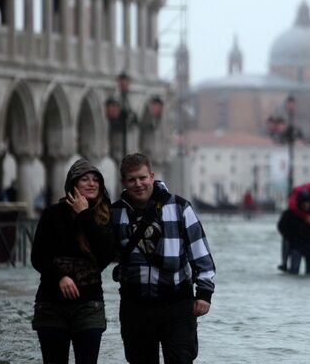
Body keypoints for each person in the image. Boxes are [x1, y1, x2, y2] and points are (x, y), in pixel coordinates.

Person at [111, 153, 216, 363]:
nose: (138, 184)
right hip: (135, 306)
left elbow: (200, 252)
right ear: (124, 182)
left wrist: (204, 293)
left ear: (151, 176)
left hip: (177, 304)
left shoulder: (179, 207)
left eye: (142, 178)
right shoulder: (115, 213)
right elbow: (99, 252)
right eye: (131, 180)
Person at [31, 158, 114, 363]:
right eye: (84, 179)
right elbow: (38, 257)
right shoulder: (53, 214)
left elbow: (105, 256)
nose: (91, 183)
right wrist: (60, 277)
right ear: (72, 185)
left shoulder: (105, 216)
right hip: (51, 304)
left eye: (96, 179)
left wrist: (84, 215)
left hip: (89, 305)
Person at [277, 188, 310, 274]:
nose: (306, 205)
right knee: (294, 271)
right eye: (304, 202)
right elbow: (281, 227)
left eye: (308, 202)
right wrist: (290, 237)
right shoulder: (290, 213)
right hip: (296, 246)